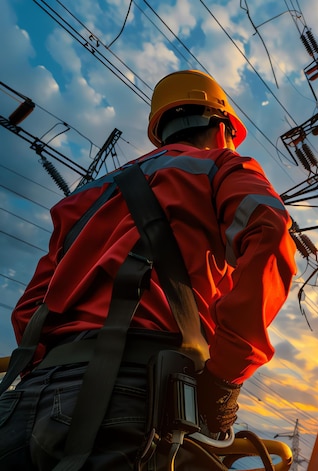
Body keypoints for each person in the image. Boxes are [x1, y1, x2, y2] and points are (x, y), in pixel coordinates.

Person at [0, 69, 297, 470]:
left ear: (164, 128)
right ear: (220, 126)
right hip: (133, 394)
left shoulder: (88, 196)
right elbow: (270, 229)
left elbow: (31, 306)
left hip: (25, 399)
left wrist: (48, 371)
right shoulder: (222, 166)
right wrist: (226, 375)